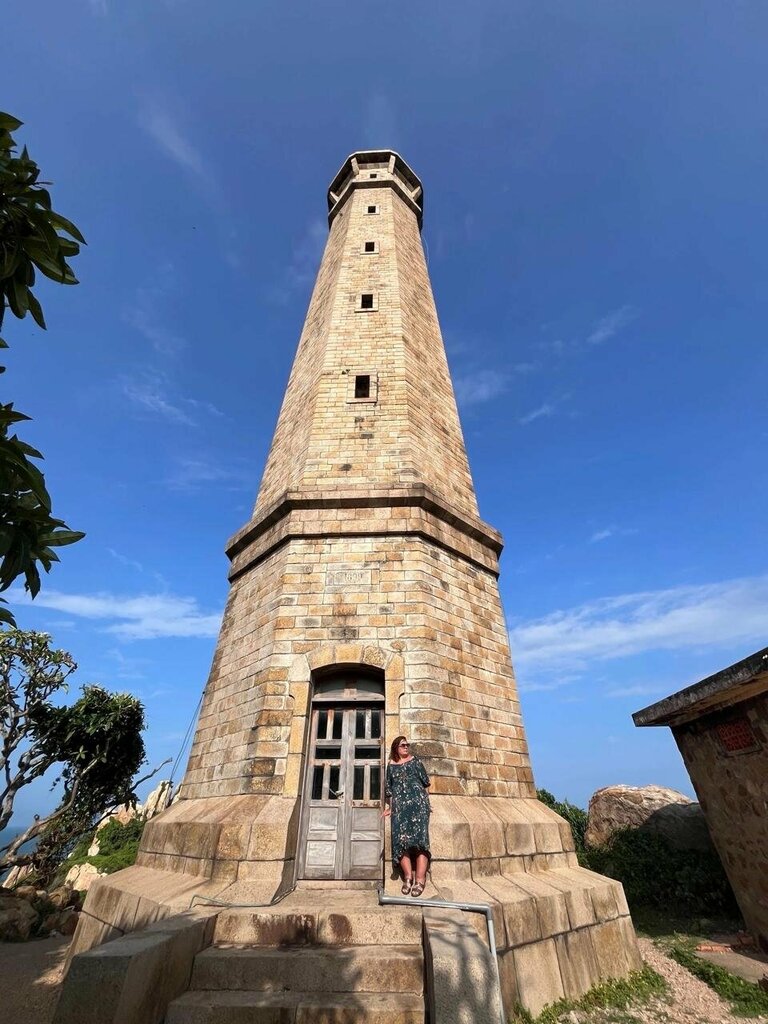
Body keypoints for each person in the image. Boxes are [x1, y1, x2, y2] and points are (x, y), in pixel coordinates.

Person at [383, 735, 431, 897]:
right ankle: (408, 878)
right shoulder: (391, 766)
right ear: (396, 747)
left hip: (418, 806)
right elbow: (389, 789)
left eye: (407, 745)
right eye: (403, 745)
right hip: (400, 809)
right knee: (400, 842)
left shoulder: (415, 761)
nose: (406, 747)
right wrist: (390, 807)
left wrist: (427, 803)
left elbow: (425, 783)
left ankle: (420, 879)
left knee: (420, 841)